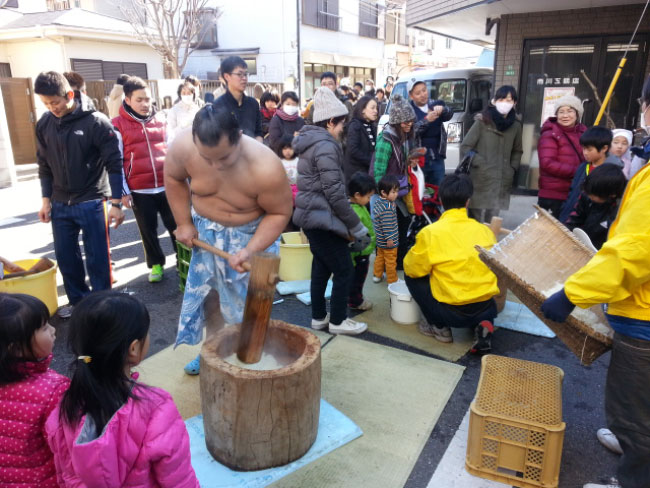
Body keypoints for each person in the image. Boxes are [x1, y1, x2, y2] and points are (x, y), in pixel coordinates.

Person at [541, 82, 650, 488]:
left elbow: (634, 251)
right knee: (639, 405)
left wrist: (572, 294)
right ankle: (633, 443)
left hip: (644, 316)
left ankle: (634, 471)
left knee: (632, 406)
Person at [165, 106, 292, 375]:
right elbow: (173, 178)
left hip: (253, 235)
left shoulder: (266, 166)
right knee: (210, 298)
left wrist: (250, 249)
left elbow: (280, 213)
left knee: (251, 307)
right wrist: (183, 223)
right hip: (206, 233)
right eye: (206, 158)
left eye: (224, 157)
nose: (215, 166)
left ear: (239, 137)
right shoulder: (182, 146)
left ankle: (250, 355)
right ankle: (213, 351)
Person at [45, 292, 200, 487]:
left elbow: (66, 475)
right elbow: (179, 480)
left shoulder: (64, 409)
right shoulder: (157, 408)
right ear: (133, 349)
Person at [35, 71, 124, 319]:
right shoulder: (44, 124)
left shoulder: (96, 122)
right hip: (60, 202)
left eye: (55, 102)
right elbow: (44, 166)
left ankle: (103, 305)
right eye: (46, 104)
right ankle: (78, 303)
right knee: (66, 257)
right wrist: (45, 201)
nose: (52, 108)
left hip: (92, 200)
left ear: (69, 95)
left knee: (98, 258)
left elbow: (114, 164)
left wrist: (116, 202)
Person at [292, 86, 369, 336]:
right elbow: (334, 194)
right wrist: (357, 227)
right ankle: (338, 320)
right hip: (322, 219)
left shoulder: (311, 142)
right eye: (341, 123)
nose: (342, 128)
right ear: (330, 122)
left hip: (311, 217)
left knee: (321, 269)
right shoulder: (325, 146)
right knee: (345, 269)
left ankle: (318, 318)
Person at [404, 174, 499, 352]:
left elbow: (413, 269)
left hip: (452, 314)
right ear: (468, 201)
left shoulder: (430, 233)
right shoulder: (484, 231)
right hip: (486, 306)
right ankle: (484, 323)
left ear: (440, 199)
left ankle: (439, 328)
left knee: (411, 276)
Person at [0, 293, 69, 488]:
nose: (54, 331)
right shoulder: (53, 390)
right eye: (44, 327)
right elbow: (66, 449)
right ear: (16, 349)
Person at [112, 76, 176, 283]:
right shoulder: (117, 125)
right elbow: (115, 161)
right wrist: (123, 192)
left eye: (147, 99)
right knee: (148, 231)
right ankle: (156, 264)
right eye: (139, 100)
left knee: (177, 226)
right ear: (128, 99)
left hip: (167, 186)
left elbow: (173, 150)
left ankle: (186, 260)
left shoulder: (162, 119)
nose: (145, 104)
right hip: (139, 189)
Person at [460, 85, 523, 223]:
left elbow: (517, 150)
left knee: (493, 219)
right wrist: (481, 164)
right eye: (502, 99)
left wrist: (512, 169)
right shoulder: (483, 121)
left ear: (514, 103)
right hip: (480, 178)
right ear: (494, 101)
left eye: (509, 100)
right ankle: (473, 244)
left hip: (501, 179)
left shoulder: (516, 126)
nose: (505, 103)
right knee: (474, 219)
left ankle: (490, 244)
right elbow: (466, 146)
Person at [372, 94, 416, 269]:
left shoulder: (402, 138)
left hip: (398, 192)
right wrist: (386, 197)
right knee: (387, 234)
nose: (409, 124)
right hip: (387, 195)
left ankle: (396, 265)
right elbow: (378, 174)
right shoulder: (386, 140)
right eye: (405, 122)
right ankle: (384, 268)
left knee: (401, 227)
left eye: (410, 120)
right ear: (396, 123)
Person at [559, 126, 623, 223]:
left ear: (604, 148)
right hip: (571, 219)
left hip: (594, 226)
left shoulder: (612, 174)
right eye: (583, 149)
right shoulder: (583, 167)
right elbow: (572, 192)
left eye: (589, 149)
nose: (585, 153)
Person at [537, 95, 588, 218]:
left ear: (577, 114)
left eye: (570, 111)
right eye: (561, 112)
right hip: (553, 194)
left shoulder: (584, 133)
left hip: (576, 192)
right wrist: (578, 172)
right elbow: (547, 163)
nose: (565, 116)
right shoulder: (550, 133)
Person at [565, 163, 626, 250]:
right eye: (588, 192)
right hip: (582, 245)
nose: (590, 195)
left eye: (594, 194)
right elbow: (574, 219)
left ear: (612, 195)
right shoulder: (587, 196)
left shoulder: (619, 210)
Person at [409, 78, 453, 187]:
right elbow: (411, 132)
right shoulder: (408, 110)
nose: (423, 94)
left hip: (437, 157)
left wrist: (443, 109)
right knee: (419, 191)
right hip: (419, 159)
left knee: (438, 191)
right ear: (411, 96)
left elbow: (449, 114)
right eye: (418, 93)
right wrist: (426, 120)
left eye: (424, 90)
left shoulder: (435, 103)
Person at [213, 56, 263, 142]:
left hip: (251, 153)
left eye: (245, 74)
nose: (244, 78)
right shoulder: (218, 106)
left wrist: (256, 146)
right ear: (227, 76)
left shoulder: (253, 104)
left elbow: (259, 133)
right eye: (239, 74)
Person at [347, 172, 376, 311]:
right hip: (359, 255)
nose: (369, 200)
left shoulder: (358, 207)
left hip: (363, 251)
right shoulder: (355, 212)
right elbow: (352, 239)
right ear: (358, 195)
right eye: (369, 196)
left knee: (357, 280)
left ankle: (354, 298)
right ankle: (356, 302)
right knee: (357, 280)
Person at [372, 175, 400, 285]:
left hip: (380, 241)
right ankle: (393, 280)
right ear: (384, 193)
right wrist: (390, 239)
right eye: (393, 192)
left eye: (397, 191)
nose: (396, 194)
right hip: (389, 242)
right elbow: (387, 225)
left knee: (379, 258)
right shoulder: (387, 208)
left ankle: (377, 276)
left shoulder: (379, 202)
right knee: (391, 261)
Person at [343, 95, 378, 182]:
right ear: (362, 110)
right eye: (372, 108)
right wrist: (371, 161)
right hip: (356, 174)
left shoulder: (372, 126)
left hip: (367, 172)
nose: (376, 111)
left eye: (376, 108)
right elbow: (353, 150)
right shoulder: (355, 125)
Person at [276, 139, 298, 204]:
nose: (288, 151)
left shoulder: (299, 161)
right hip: (284, 188)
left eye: (291, 148)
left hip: (298, 188)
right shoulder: (279, 161)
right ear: (281, 150)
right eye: (285, 149)